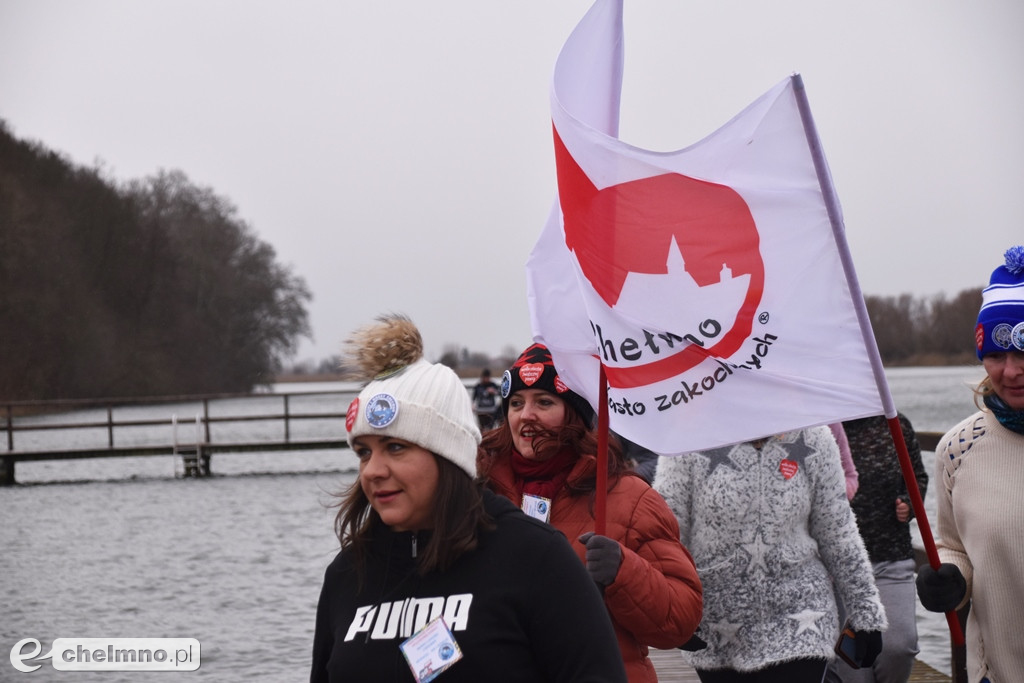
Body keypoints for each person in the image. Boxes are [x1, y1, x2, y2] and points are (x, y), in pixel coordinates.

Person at [311, 316, 627, 683]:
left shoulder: (536, 558)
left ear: (448, 456)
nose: (372, 471)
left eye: (395, 448)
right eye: (364, 452)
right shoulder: (348, 573)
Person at [477, 343, 703, 683]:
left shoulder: (629, 498)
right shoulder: (475, 492)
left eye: (544, 402)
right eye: (516, 403)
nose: (526, 415)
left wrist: (624, 573)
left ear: (576, 414)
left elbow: (680, 619)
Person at [654, 426, 887, 683]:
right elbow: (668, 534)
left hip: (803, 618)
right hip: (717, 624)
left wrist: (866, 612)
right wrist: (674, 610)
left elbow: (838, 531)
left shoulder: (814, 438)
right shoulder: (686, 442)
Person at [916, 245, 1024, 683]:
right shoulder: (958, 448)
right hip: (996, 672)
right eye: (997, 355)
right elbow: (952, 545)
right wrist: (950, 580)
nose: (1012, 371)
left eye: (1023, 352)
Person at [826, 413, 926, 683]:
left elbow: (917, 476)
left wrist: (910, 502)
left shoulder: (896, 424)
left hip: (891, 558)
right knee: (852, 668)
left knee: (900, 647)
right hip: (837, 569)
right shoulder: (822, 426)